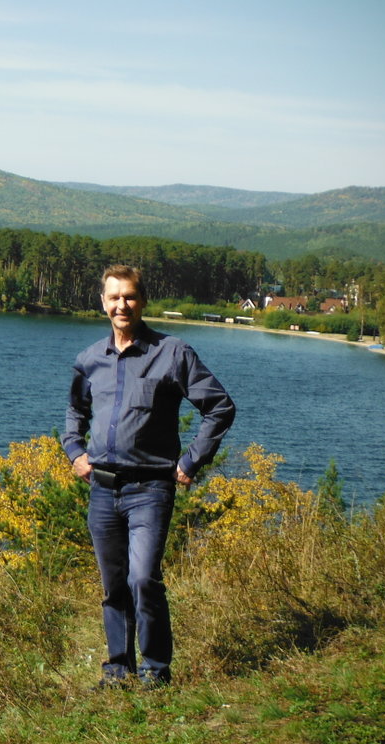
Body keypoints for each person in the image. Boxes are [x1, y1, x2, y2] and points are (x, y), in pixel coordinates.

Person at [61, 264, 235, 688]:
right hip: (102, 489)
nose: (122, 304)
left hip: (151, 489)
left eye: (130, 296)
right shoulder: (89, 359)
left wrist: (191, 461)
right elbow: (75, 412)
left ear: (143, 301)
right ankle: (118, 670)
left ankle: (156, 670)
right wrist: (74, 452)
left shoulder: (173, 353)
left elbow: (219, 407)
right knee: (113, 585)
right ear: (103, 302)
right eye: (114, 297)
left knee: (143, 578)